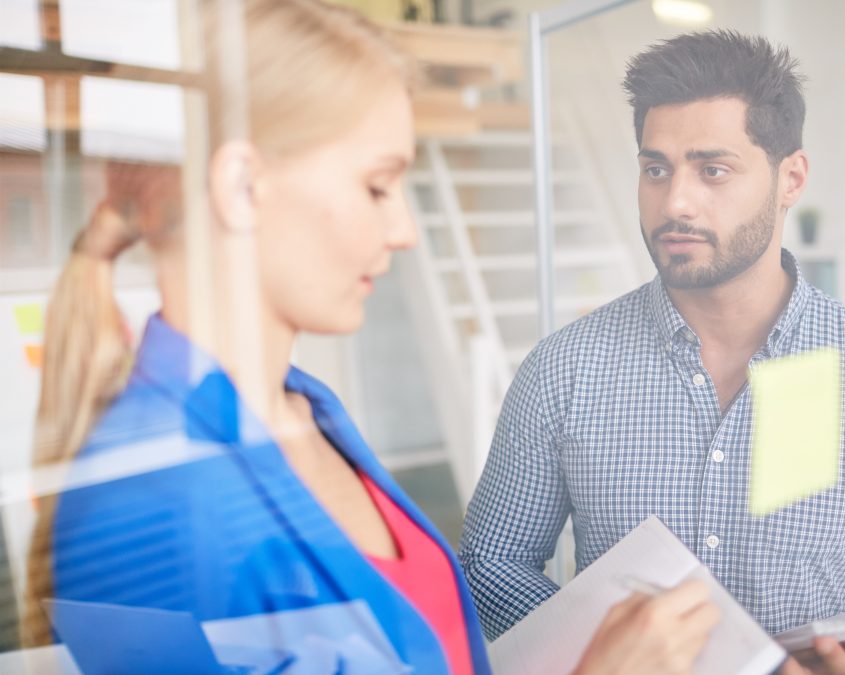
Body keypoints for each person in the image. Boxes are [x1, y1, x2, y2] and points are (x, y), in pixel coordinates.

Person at [19, 1, 723, 673]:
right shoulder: (144, 500)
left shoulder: (308, 409)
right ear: (241, 186)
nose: (404, 231)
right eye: (377, 187)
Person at [459, 29, 845, 674]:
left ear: (791, 179)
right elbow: (490, 562)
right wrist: (605, 656)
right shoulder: (563, 369)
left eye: (713, 169)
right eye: (655, 169)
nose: (675, 202)